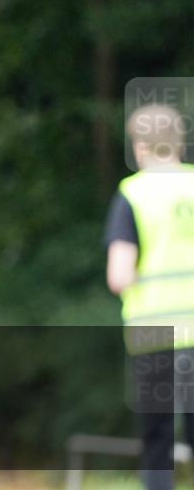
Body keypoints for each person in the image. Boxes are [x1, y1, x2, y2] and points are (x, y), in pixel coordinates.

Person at [105, 103, 194, 490]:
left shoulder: (133, 194)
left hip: (153, 331)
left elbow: (120, 275)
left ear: (140, 146)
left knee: (157, 441)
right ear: (178, 143)